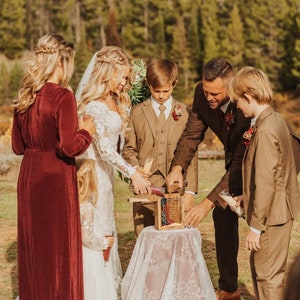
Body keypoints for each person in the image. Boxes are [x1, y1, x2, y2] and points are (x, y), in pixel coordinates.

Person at [11, 33, 95, 299]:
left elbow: (17, 146)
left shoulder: (25, 94)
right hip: (56, 176)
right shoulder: (63, 97)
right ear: (61, 62)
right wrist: (87, 132)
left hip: (29, 175)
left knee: (35, 248)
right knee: (59, 250)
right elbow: (69, 146)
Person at [166, 57, 251, 300]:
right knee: (222, 213)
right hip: (236, 162)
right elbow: (192, 134)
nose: (210, 97)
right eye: (206, 91)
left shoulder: (245, 101)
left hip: (258, 164)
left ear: (231, 86)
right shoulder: (201, 95)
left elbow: (240, 165)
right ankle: (229, 288)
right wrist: (178, 167)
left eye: (215, 93)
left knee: (258, 222)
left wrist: (206, 203)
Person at [75, 46, 151, 299]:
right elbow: (104, 148)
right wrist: (132, 173)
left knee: (108, 229)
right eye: (122, 77)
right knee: (95, 231)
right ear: (108, 73)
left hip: (106, 179)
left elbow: (116, 145)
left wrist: (133, 167)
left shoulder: (114, 100)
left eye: (128, 78)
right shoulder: (94, 105)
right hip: (92, 177)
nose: (125, 83)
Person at [228, 66, 300, 300]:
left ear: (249, 97)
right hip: (280, 211)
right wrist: (245, 197)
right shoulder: (276, 119)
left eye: (238, 100)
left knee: (267, 277)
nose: (237, 106)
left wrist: (255, 228)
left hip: (270, 218)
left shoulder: (266, 130)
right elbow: (277, 173)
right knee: (269, 274)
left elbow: (267, 183)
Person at [122, 58, 198, 236]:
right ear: (148, 84)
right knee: (145, 240)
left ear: (175, 84)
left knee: (173, 240)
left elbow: (191, 154)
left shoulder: (186, 113)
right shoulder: (137, 112)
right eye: (156, 91)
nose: (161, 95)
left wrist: (190, 192)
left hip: (176, 191)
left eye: (166, 90)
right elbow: (128, 149)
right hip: (145, 190)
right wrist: (135, 169)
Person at [76, 158, 116, 299]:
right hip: (90, 255)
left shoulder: (74, 205)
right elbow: (86, 237)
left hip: (77, 253)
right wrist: (104, 243)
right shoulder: (87, 208)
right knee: (92, 286)